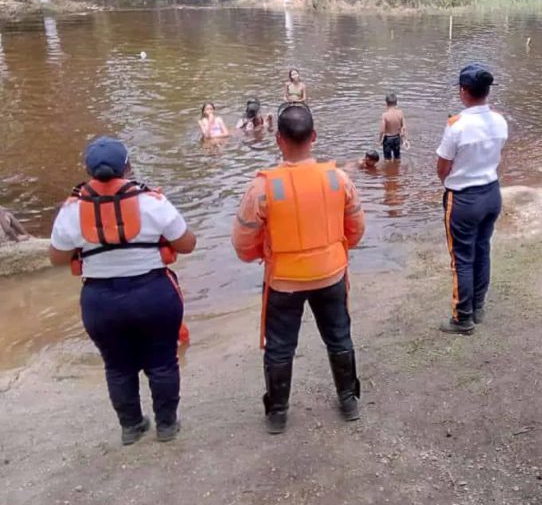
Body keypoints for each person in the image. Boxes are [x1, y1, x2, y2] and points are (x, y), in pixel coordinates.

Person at [47, 137, 196, 445]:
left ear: (87, 171)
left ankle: (131, 426)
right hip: (153, 294)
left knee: (117, 365)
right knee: (163, 361)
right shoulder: (152, 202)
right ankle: (166, 425)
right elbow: (187, 244)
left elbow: (57, 258)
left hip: (100, 301)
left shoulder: (72, 210)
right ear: (127, 167)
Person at [232, 104, 366, 434]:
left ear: (278, 139)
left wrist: (260, 255)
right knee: (339, 336)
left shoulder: (262, 188)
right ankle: (348, 400)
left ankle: (278, 413)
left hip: (283, 281)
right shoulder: (339, 179)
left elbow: (242, 242)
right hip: (331, 273)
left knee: (279, 345)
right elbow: (356, 230)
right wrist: (333, 248)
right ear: (314, 137)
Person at [436, 64, 508, 335]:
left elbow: (442, 166)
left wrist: (451, 182)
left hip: (464, 198)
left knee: (462, 258)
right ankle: (477, 306)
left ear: (463, 92)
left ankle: (462, 318)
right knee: (482, 249)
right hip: (491, 192)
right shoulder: (500, 121)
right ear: (487, 91)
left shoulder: (457, 125)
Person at [379, 93, 407, 160]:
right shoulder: (400, 113)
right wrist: (405, 139)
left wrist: (380, 140)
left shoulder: (385, 115)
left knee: (387, 159)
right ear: (396, 103)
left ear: (386, 103)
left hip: (388, 139)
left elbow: (382, 130)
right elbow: (404, 127)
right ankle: (397, 169)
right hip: (397, 138)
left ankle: (389, 170)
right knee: (397, 158)